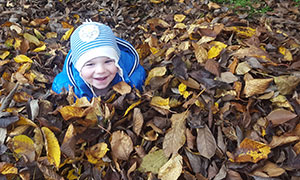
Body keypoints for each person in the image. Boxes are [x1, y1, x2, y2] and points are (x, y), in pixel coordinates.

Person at [52, 21, 146, 100]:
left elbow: (139, 75)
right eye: (90, 64)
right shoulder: (66, 88)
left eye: (108, 61)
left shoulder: (133, 78)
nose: (101, 70)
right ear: (78, 67)